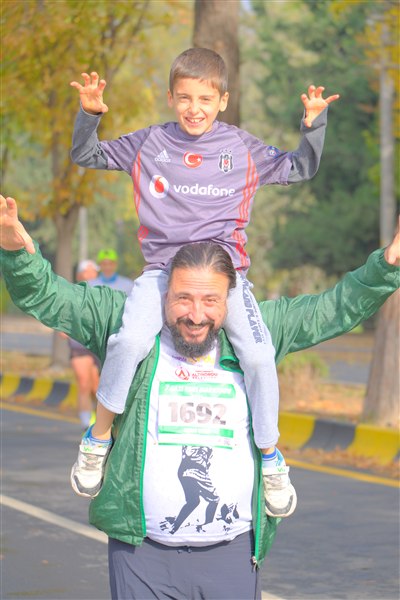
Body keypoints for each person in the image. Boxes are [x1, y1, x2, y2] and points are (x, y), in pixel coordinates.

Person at [1, 194, 398, 599]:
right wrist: (16, 253)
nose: (195, 315)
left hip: (232, 556)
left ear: (231, 300)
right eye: (183, 298)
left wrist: (388, 265)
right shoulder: (124, 323)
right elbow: (50, 297)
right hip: (141, 556)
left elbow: (332, 310)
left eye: (211, 301)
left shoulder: (258, 333)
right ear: (163, 294)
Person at [69, 47, 340, 513]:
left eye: (205, 99)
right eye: (184, 98)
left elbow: (300, 167)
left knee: (259, 356)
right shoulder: (149, 144)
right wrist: (89, 115)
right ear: (171, 98)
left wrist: (313, 125)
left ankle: (271, 457)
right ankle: (97, 439)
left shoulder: (242, 149)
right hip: (163, 274)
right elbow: (85, 154)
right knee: (128, 343)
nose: (194, 108)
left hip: (224, 279)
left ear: (223, 101)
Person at [69, 259, 100, 430]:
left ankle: (99, 419)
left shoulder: (102, 293)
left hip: (98, 346)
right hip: (79, 345)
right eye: (87, 271)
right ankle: (85, 422)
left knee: (96, 387)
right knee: (83, 383)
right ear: (79, 275)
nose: (91, 275)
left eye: (93, 271)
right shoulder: (72, 293)